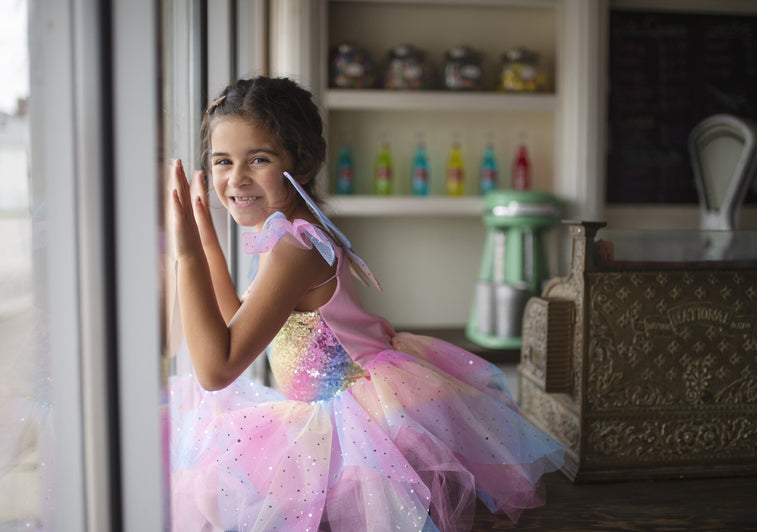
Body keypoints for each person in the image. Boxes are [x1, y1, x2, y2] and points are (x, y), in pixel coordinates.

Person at [168, 76, 563, 532]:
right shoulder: (290, 230)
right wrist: (206, 238)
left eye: (259, 159)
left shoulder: (295, 247)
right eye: (222, 161)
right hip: (338, 406)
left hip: (355, 423)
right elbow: (235, 321)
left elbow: (216, 368)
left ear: (304, 162)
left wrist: (187, 255)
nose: (236, 178)